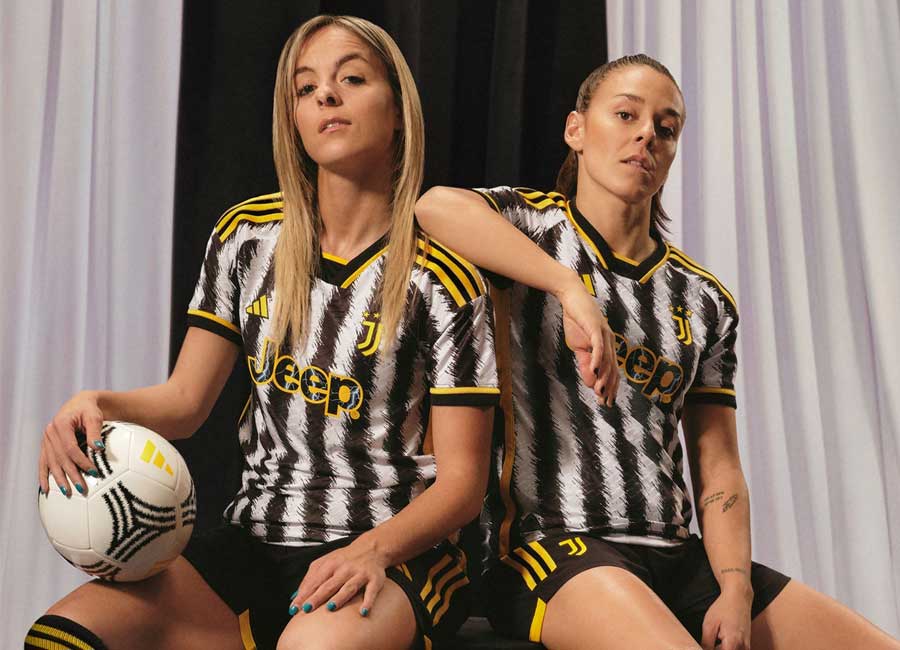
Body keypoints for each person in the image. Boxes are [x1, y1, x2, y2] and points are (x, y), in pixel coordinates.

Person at [29, 15, 498, 650]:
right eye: (306, 88)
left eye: (351, 79)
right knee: (61, 637)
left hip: (393, 548)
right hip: (257, 539)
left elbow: (464, 484)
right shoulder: (246, 238)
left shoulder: (441, 274)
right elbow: (185, 403)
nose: (326, 95)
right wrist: (97, 403)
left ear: (397, 113)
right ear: (293, 119)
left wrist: (372, 551)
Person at [415, 54, 900, 650]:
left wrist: (735, 588)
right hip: (551, 549)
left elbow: (717, 464)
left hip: (674, 553)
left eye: (665, 128)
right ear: (576, 129)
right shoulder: (530, 228)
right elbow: (433, 207)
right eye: (626, 115)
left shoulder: (703, 298)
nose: (646, 134)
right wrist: (570, 289)